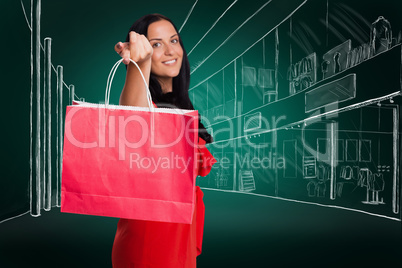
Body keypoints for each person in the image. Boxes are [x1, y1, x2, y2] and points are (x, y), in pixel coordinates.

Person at [111, 14, 216, 268]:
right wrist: (140, 62)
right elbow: (132, 114)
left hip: (179, 243)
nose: (171, 51)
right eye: (156, 44)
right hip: (149, 246)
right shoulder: (146, 105)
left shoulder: (180, 108)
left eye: (174, 40)